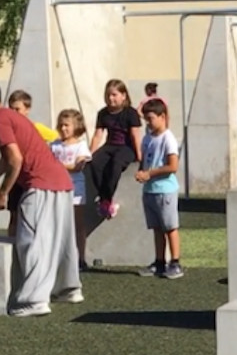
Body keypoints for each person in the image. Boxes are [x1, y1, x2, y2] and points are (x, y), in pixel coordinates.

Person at [0, 79, 80, 316]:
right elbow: (12, 154)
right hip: (62, 182)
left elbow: (16, 159)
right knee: (62, 240)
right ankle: (69, 289)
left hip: (40, 184)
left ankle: (33, 300)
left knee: (30, 241)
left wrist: (3, 193)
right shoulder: (14, 117)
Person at [135, 98, 184, 279]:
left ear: (162, 117)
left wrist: (150, 173)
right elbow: (145, 160)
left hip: (165, 190)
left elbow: (172, 166)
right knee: (156, 228)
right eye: (146, 119)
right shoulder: (148, 137)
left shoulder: (168, 138)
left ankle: (176, 262)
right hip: (150, 190)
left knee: (170, 227)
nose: (148, 123)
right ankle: (159, 261)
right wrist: (142, 172)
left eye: (151, 118)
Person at [88, 79, 142, 219]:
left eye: (114, 95)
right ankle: (104, 198)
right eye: (108, 95)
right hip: (110, 145)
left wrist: (139, 155)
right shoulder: (103, 113)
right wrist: (89, 154)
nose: (110, 98)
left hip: (126, 147)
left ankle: (106, 199)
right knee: (95, 163)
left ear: (123, 96)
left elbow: (135, 135)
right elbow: (97, 136)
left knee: (116, 163)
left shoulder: (131, 113)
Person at [50, 109, 92, 270]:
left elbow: (77, 166)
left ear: (76, 126)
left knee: (78, 224)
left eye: (67, 125)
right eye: (61, 125)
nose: (63, 128)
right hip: (57, 187)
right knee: (58, 223)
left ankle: (80, 258)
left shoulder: (81, 145)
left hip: (75, 188)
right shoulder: (54, 145)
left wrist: (58, 166)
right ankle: (60, 257)